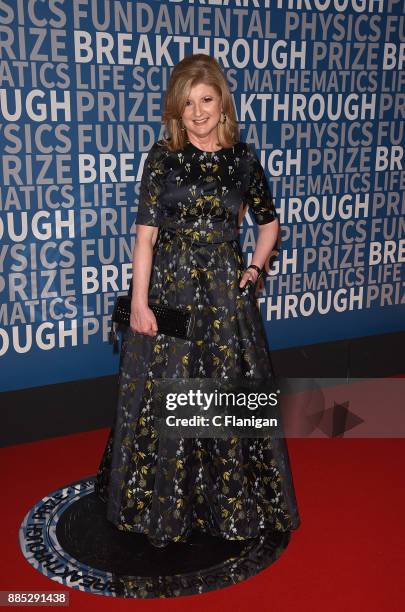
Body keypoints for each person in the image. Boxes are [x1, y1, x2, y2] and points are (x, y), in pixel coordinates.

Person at [95, 53, 301, 549]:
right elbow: (144, 237)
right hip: (172, 291)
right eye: (187, 103)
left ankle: (229, 503)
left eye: (206, 100)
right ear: (176, 109)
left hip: (227, 301)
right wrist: (139, 304)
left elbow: (268, 224)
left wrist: (253, 271)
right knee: (170, 392)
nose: (198, 112)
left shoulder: (243, 159)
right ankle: (168, 506)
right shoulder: (162, 157)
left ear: (222, 102)